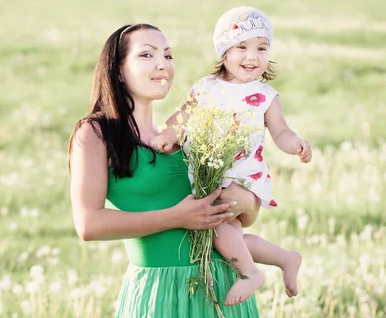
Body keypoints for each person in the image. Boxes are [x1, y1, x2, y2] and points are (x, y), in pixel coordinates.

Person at [69, 23, 261, 317]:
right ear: (118, 70)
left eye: (168, 56)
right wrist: (177, 218)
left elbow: (246, 217)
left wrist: (245, 200)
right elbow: (88, 225)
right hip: (162, 291)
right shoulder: (96, 133)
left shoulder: (186, 134)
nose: (163, 65)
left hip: (225, 286)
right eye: (147, 55)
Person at [151, 7, 311, 306]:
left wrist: (296, 144)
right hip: (209, 177)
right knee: (225, 237)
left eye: (261, 48)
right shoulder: (205, 88)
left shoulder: (265, 95)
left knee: (215, 215)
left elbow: (281, 132)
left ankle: (250, 273)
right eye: (242, 47)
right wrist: (167, 136)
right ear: (223, 52)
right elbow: (182, 117)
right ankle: (285, 258)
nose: (252, 57)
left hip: (243, 179)